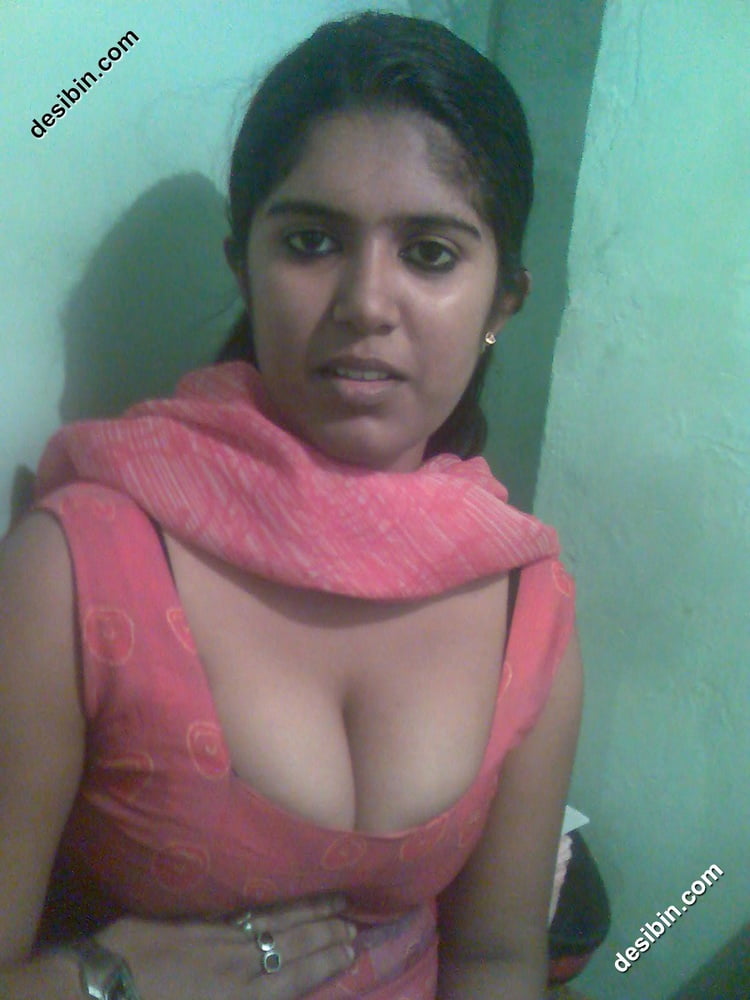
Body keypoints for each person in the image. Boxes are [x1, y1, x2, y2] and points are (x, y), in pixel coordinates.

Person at [0, 12, 582, 1000]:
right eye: (312, 242)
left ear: (502, 304)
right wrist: (105, 981)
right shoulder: (76, 566)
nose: (367, 302)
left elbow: (495, 954)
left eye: (431, 253)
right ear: (245, 265)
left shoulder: (528, 598)